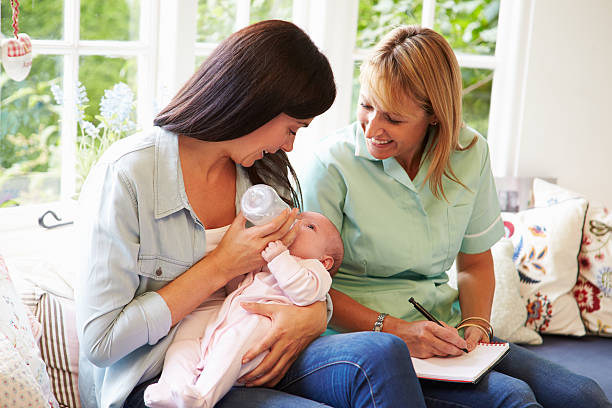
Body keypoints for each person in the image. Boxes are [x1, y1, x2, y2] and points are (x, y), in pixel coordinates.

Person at [75, 20, 425, 408]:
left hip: (252, 345)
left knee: (383, 353)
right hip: (167, 377)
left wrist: (312, 316)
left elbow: (303, 268)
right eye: (292, 129)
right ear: (256, 104)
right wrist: (220, 266)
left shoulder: (263, 174)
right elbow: (101, 342)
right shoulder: (128, 175)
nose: (289, 147)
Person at [299, 25, 612, 408]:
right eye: (366, 105)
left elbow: (475, 262)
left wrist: (476, 325)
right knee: (513, 399)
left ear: (434, 116)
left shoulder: (469, 153)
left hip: (443, 329)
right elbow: (310, 287)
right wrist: (399, 330)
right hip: (361, 338)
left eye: (393, 118)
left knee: (586, 396)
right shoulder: (330, 165)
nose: (373, 127)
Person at [144, 211, 343, 408]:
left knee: (233, 342)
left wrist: (279, 257)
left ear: (325, 261)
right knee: (184, 346)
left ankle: (202, 398)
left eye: (310, 227)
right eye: (297, 219)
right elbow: (235, 287)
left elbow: (304, 292)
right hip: (222, 326)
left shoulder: (315, 270)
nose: (296, 224)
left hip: (256, 340)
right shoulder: (268, 261)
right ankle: (171, 389)